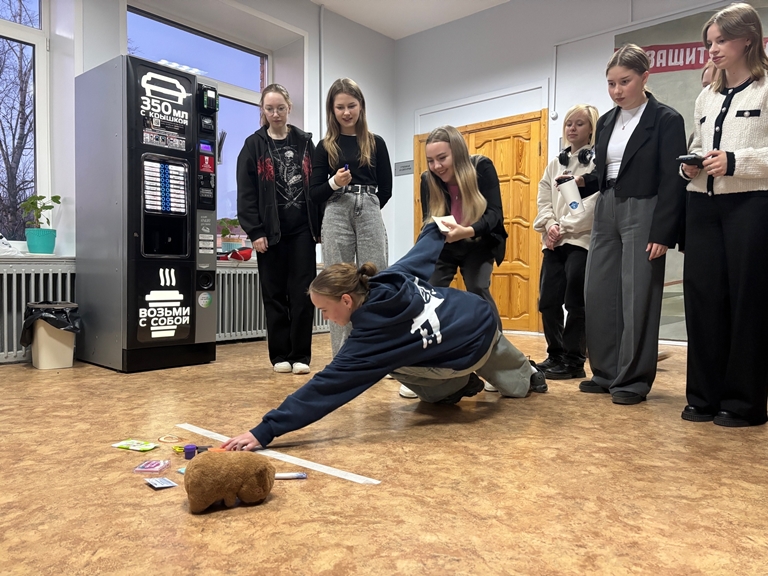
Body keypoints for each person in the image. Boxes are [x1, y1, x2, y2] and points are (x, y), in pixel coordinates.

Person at [221, 224, 547, 451]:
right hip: (481, 317)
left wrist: (265, 430)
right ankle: (526, 374)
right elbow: (423, 251)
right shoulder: (388, 278)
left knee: (394, 364)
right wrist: (436, 227)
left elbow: (325, 388)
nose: (324, 317)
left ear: (346, 300)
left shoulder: (371, 340)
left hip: (464, 352)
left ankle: (456, 386)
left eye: (325, 309)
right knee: (513, 384)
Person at [575, 44, 687, 405]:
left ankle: (633, 380)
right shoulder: (607, 121)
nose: (617, 90)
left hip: (645, 208)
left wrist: (663, 232)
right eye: (611, 83)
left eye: (625, 81)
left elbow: (672, 178)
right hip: (606, 207)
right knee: (598, 291)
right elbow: (605, 170)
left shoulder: (666, 119)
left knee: (638, 295)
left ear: (645, 78)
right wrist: (582, 182)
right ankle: (605, 372)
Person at [680, 3, 768, 427]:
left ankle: (744, 403)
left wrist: (736, 161)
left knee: (747, 303)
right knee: (702, 300)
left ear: (748, 39)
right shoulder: (707, 95)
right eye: (709, 42)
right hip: (702, 205)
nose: (712, 49)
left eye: (721, 40)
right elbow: (699, 144)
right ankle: (703, 396)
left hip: (750, 205)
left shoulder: (766, 88)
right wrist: (690, 166)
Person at [236, 84, 320, 375]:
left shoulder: (305, 142)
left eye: (280, 108)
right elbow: (246, 193)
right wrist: (255, 231)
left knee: (303, 294)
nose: (275, 114)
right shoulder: (253, 145)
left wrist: (318, 225)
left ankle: (301, 355)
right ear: (263, 110)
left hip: (302, 232)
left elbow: (317, 186)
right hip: (269, 234)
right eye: (270, 109)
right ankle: (280, 355)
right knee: (274, 295)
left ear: (289, 108)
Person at [309, 78, 392, 358]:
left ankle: (377, 354)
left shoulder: (376, 143)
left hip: (368, 206)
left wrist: (368, 206)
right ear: (331, 110)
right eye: (340, 107)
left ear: (361, 106)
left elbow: (386, 189)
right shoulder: (325, 146)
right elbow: (314, 193)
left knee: (376, 280)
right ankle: (343, 358)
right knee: (336, 285)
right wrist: (334, 182)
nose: (346, 112)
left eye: (352, 106)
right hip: (336, 210)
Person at [533, 104, 599, 379]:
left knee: (575, 303)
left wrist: (564, 227)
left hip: (580, 242)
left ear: (591, 129)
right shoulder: (554, 164)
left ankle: (573, 361)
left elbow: (593, 204)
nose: (572, 128)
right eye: (569, 123)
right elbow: (543, 200)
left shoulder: (596, 164)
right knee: (548, 301)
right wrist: (550, 225)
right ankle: (555, 355)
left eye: (579, 124)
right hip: (554, 243)